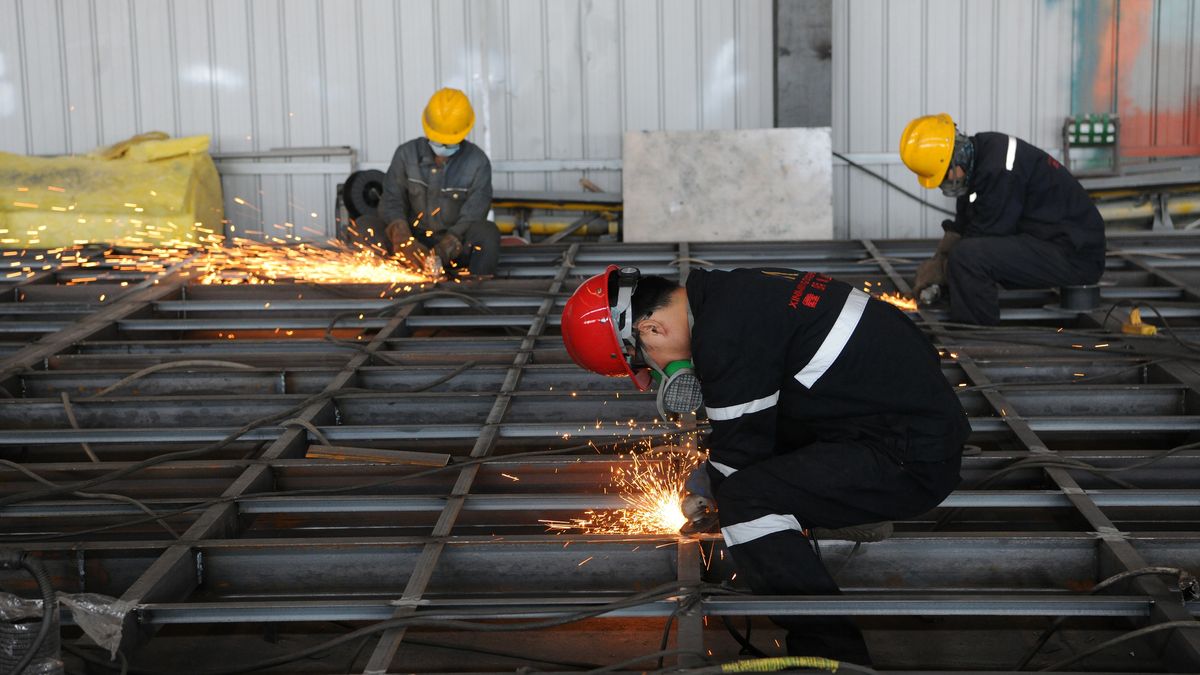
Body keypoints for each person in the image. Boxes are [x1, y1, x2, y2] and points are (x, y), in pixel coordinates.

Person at [560, 265, 971, 663]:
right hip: (903, 424)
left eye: (646, 363)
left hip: (911, 460)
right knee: (750, 463)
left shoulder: (722, 340)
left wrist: (712, 491)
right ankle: (844, 508)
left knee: (745, 499)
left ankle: (828, 650)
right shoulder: (729, 292)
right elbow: (751, 428)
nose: (658, 370)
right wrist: (714, 468)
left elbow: (739, 460)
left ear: (650, 330)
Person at [899, 113, 1106, 325]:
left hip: (1076, 256)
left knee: (968, 258)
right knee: (962, 258)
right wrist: (941, 256)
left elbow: (984, 235)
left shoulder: (1000, 170)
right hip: (1051, 241)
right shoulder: (981, 154)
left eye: (944, 176)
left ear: (957, 155)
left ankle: (978, 337)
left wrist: (943, 270)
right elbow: (965, 222)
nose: (946, 182)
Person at [371, 87, 499, 276]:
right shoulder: (406, 154)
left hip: (456, 244)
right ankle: (378, 294)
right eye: (439, 142)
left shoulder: (477, 163)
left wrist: (442, 252)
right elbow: (392, 201)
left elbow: (474, 214)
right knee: (367, 226)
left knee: (487, 233)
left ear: (463, 133)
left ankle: (476, 295)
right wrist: (405, 242)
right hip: (411, 243)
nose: (443, 148)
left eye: (449, 143)